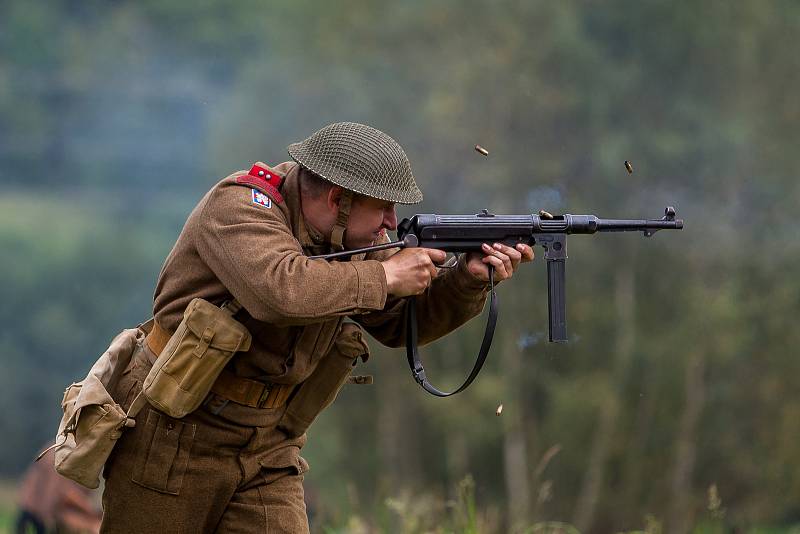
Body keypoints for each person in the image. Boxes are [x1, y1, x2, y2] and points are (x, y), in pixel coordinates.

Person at [100, 122, 534, 533]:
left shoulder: (353, 242)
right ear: (336, 200)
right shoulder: (239, 208)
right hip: (174, 430)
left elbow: (399, 325)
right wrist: (384, 277)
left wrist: (465, 282)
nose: (389, 222)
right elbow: (278, 290)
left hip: (269, 444)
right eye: (381, 206)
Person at [16, 445, 102, 534]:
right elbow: (65, 493)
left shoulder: (61, 448)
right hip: (39, 513)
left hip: (37, 509)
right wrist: (93, 511)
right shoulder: (64, 454)